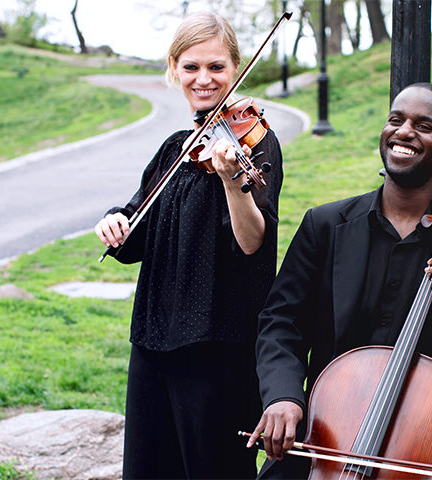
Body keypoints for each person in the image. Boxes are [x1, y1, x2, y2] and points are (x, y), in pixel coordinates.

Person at [248, 83, 432, 478]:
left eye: (424, 125)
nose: (404, 131)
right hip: (325, 439)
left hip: (427, 451)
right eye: (396, 119)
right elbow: (281, 323)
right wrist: (284, 396)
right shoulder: (325, 226)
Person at [94, 12, 283, 479]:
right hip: (156, 336)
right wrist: (114, 221)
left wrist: (231, 179)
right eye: (191, 67)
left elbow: (253, 241)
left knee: (211, 468)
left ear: (236, 68)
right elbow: (138, 226)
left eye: (216, 67)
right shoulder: (175, 148)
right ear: (174, 69)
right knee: (148, 467)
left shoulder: (255, 145)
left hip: (218, 341)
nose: (204, 79)